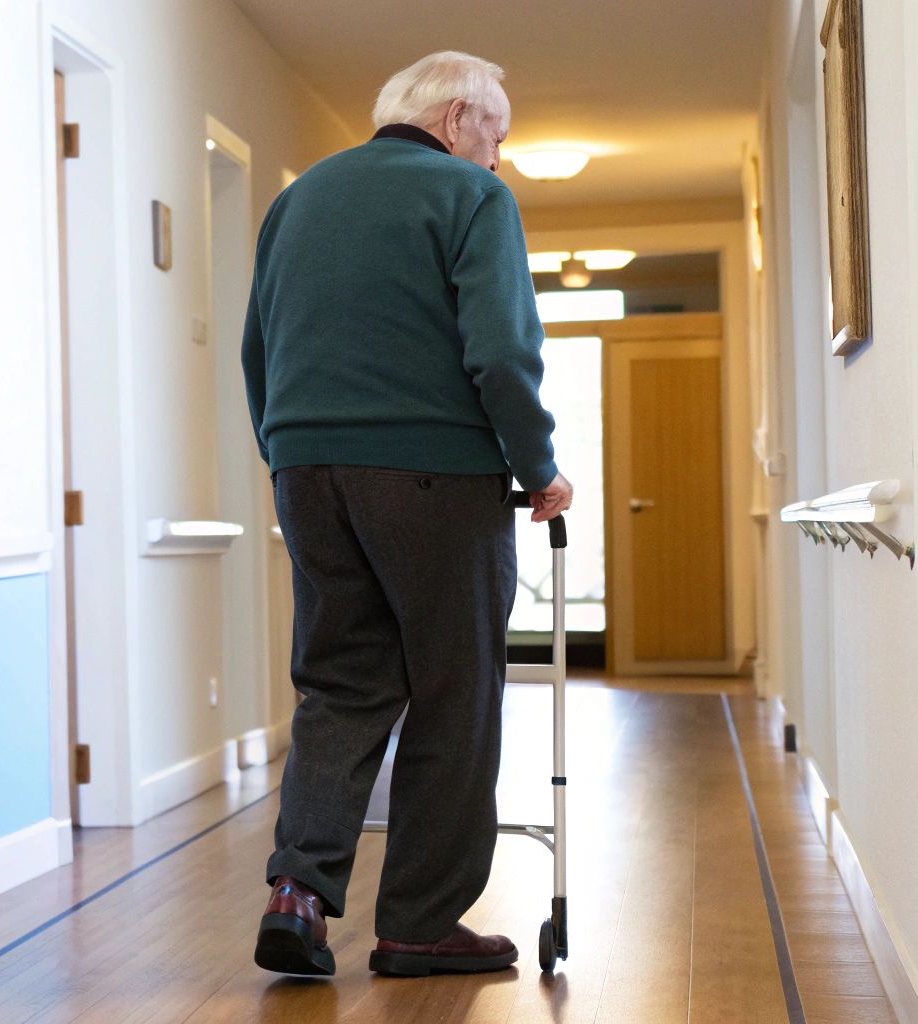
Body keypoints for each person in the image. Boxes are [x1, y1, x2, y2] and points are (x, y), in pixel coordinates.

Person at [242, 50, 573, 978]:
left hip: (307, 471)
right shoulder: (470, 198)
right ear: (460, 116)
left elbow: (256, 351)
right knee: (454, 692)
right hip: (435, 476)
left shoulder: (299, 199)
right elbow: (504, 352)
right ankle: (420, 921)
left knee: (341, 686)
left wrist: (293, 459)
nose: (499, 160)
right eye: (497, 138)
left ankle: (297, 894)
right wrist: (537, 467)